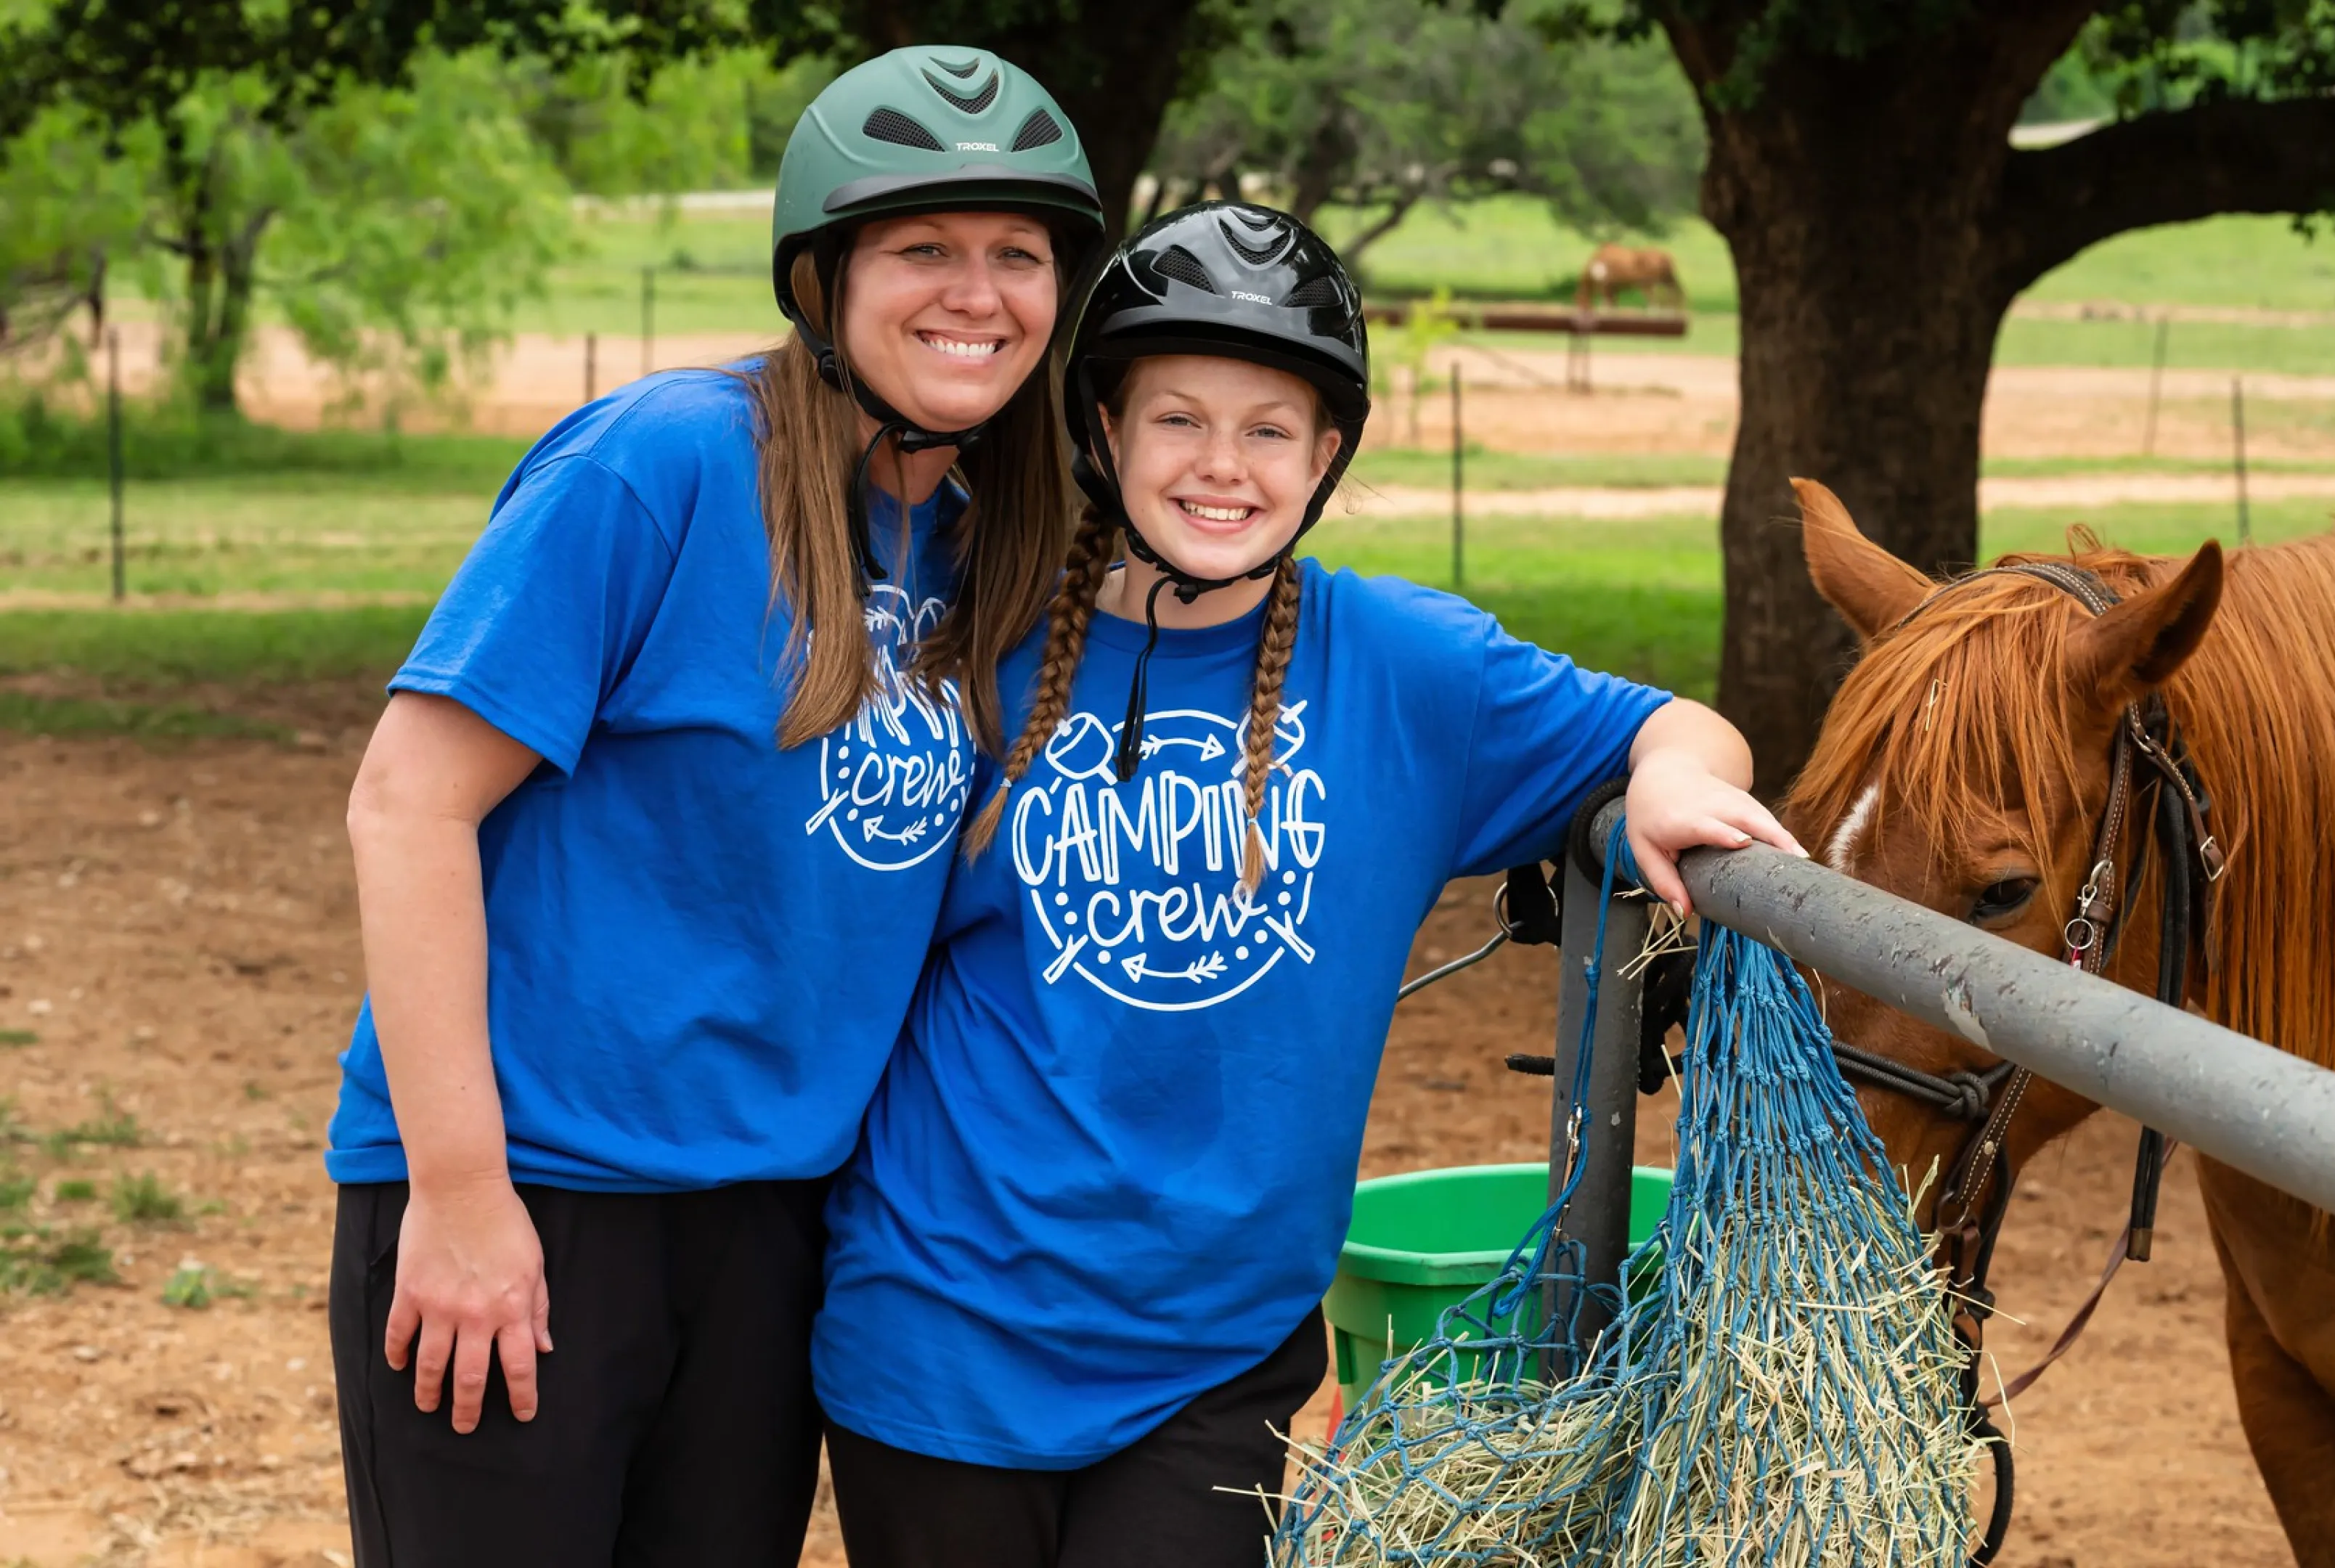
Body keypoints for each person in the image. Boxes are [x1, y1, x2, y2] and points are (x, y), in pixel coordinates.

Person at [810, 201, 1806, 1567]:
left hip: (1214, 1361)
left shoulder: (1409, 669)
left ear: (1327, 455)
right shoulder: (975, 632)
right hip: (939, 1327)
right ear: (1105, 433)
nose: (1222, 466)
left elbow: (1676, 723)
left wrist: (1678, 776)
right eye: (1179, 420)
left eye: (1269, 430)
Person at [322, 47, 1101, 1568]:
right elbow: (406, 803)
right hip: (538, 1187)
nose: (978, 292)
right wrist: (464, 1196)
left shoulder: (980, 544)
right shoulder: (664, 464)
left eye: (1019, 256)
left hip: (773, 1227)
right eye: (923, 249)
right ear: (822, 280)